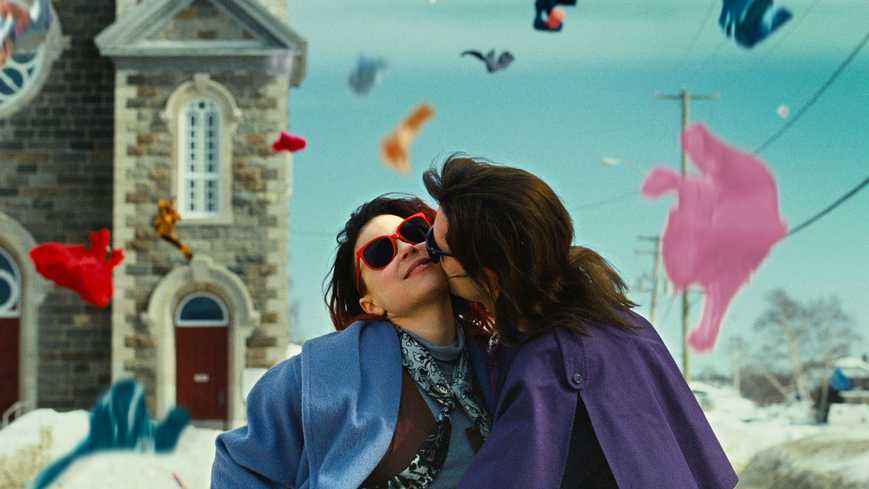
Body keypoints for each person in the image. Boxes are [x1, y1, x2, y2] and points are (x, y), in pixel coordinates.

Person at [422, 155, 739, 489]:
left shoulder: (548, 366)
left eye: (435, 248)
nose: (424, 253)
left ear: (489, 276)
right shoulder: (629, 326)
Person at [211, 194, 494, 489]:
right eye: (379, 253)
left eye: (413, 232)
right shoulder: (323, 372)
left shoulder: (499, 358)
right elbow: (237, 464)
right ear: (371, 303)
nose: (406, 248)